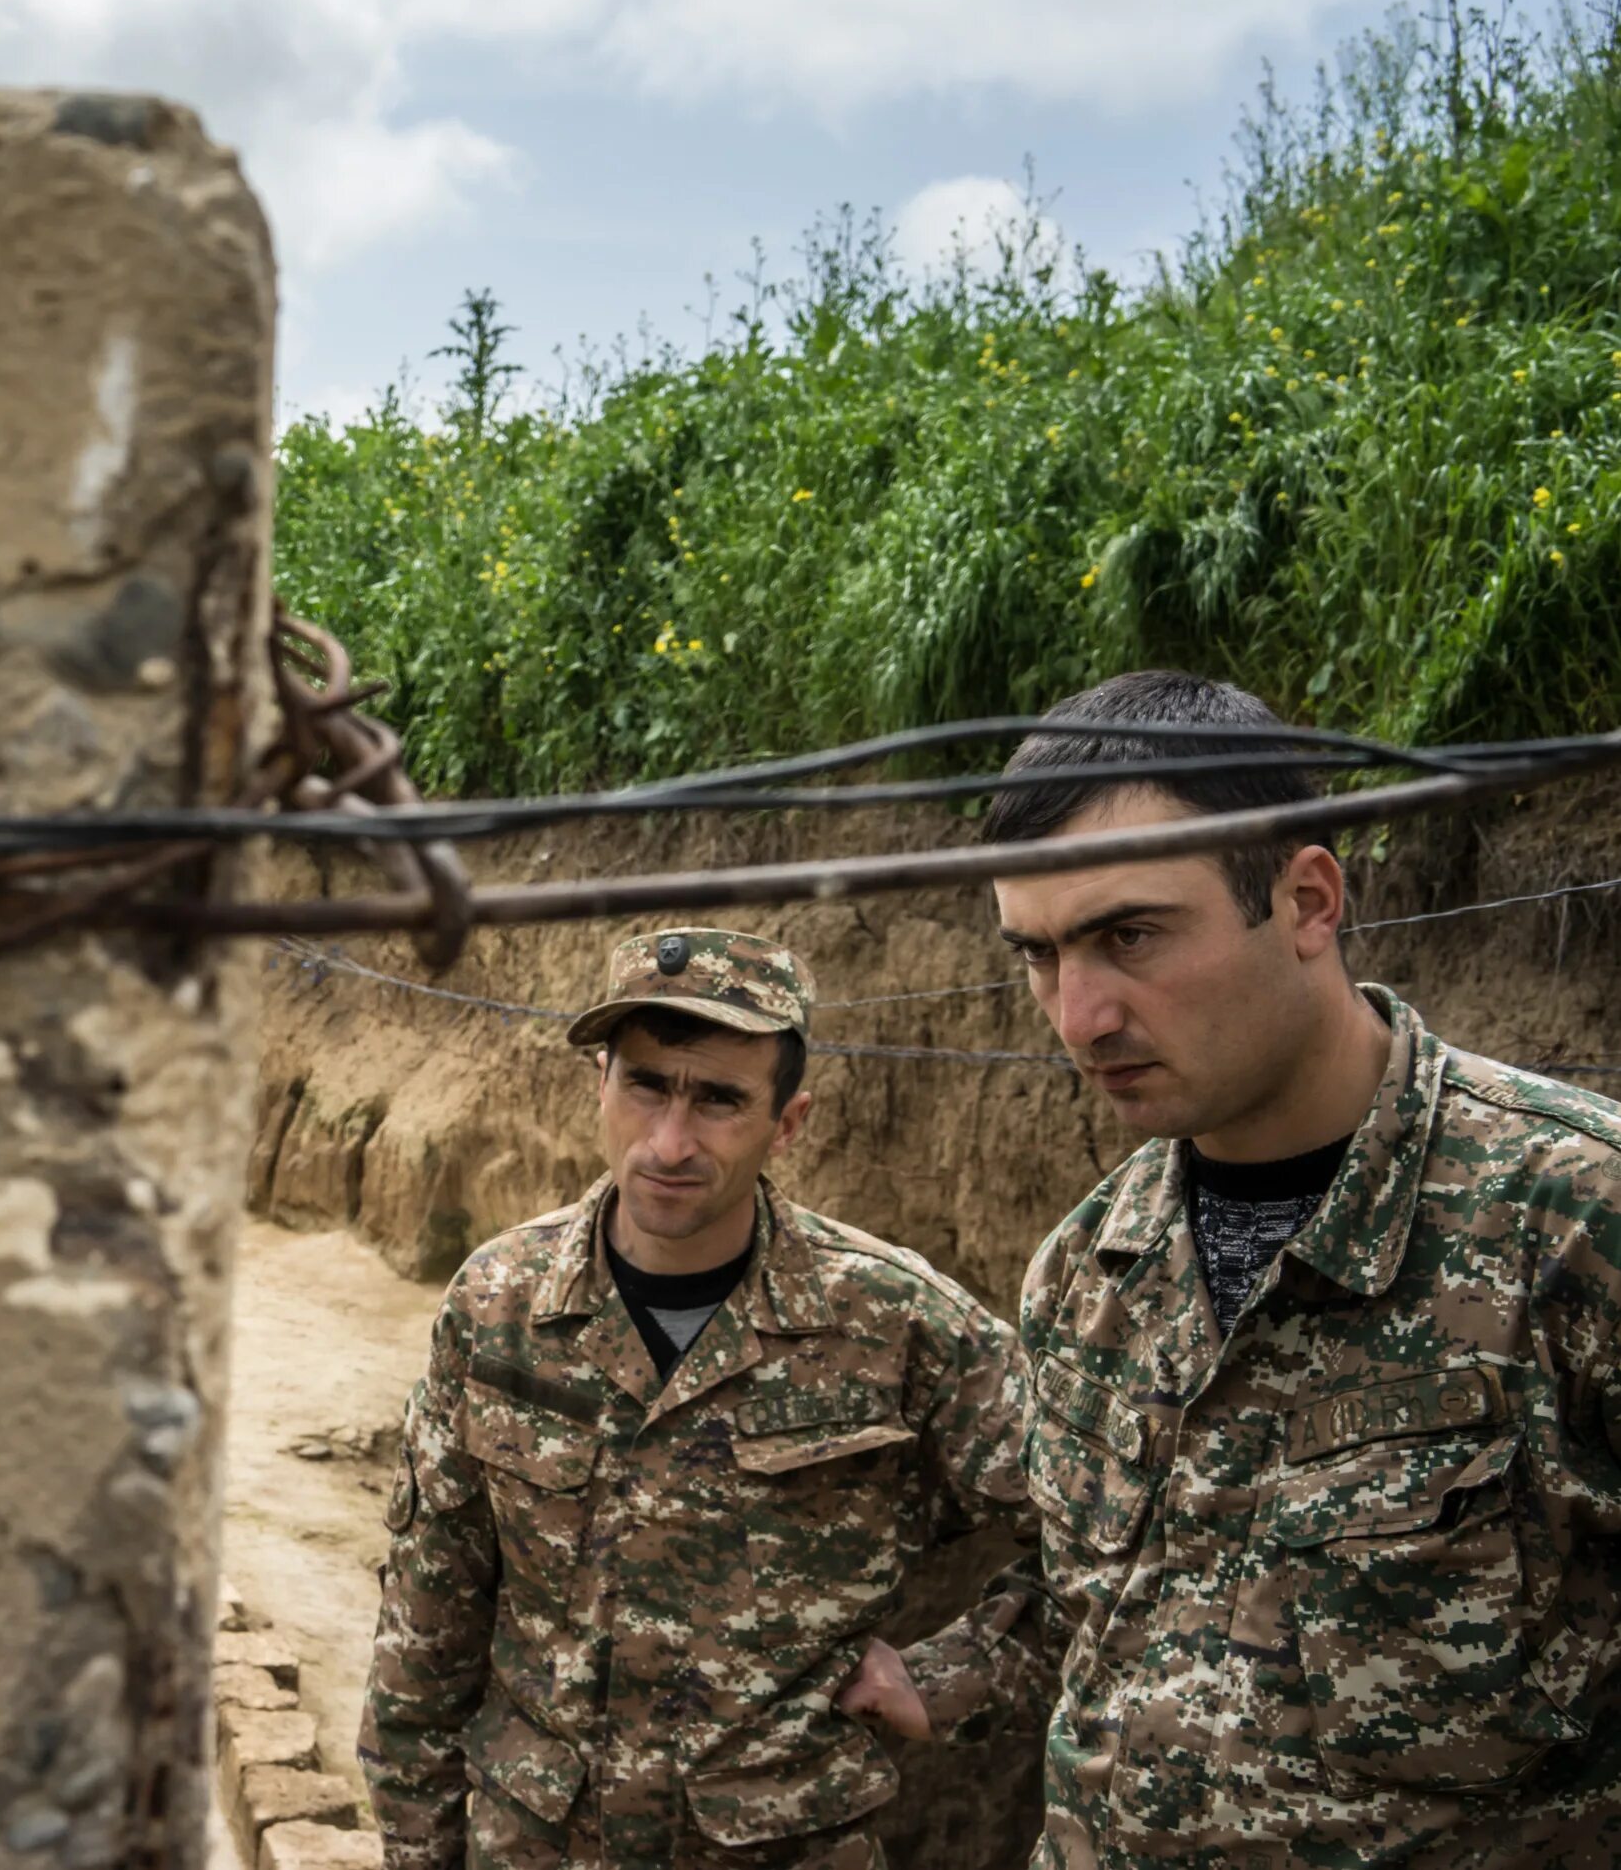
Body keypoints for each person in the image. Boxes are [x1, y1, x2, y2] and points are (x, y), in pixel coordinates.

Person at [986, 669, 1621, 1865]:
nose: (1077, 1016)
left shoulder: (1571, 1221)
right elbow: (1095, 1645)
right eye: (1037, 955)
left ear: (1308, 899)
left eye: (1129, 935)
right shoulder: (1084, 1276)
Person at [359, 928, 1039, 1869]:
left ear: (788, 1123)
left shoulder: (901, 1327)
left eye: (719, 1099)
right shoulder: (498, 1307)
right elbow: (426, 1626)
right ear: (600, 1083)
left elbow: (1106, 1547)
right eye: (645, 1085)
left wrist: (955, 1676)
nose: (670, 1143)